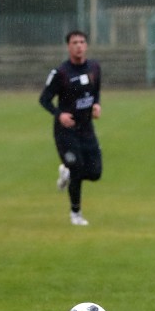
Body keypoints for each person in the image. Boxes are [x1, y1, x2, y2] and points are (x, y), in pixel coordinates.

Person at [39, 30, 102, 226]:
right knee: (77, 169)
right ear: (68, 46)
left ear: (86, 45)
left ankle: (66, 172)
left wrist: (96, 105)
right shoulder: (61, 73)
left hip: (86, 128)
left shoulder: (94, 67)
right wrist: (60, 115)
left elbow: (96, 90)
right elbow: (44, 99)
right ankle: (76, 214)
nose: (79, 46)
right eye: (75, 42)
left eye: (82, 42)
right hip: (66, 131)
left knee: (95, 173)